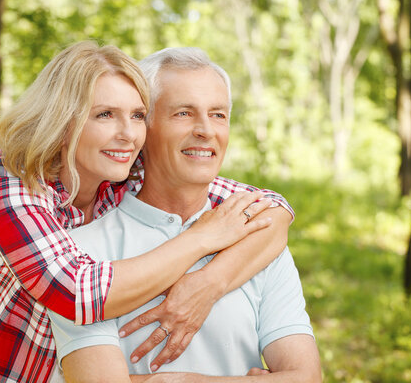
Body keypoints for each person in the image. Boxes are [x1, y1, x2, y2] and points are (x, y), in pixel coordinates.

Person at [0, 41, 295, 382]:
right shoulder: (9, 180)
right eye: (105, 115)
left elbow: (273, 209)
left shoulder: (124, 172)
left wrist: (209, 283)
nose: (128, 134)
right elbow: (75, 294)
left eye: (136, 115)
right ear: (64, 122)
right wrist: (200, 239)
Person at [48, 47, 322, 382]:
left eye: (218, 115)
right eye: (183, 113)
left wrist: (178, 381)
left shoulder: (258, 240)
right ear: (143, 129)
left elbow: (304, 377)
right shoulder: (81, 251)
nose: (206, 130)